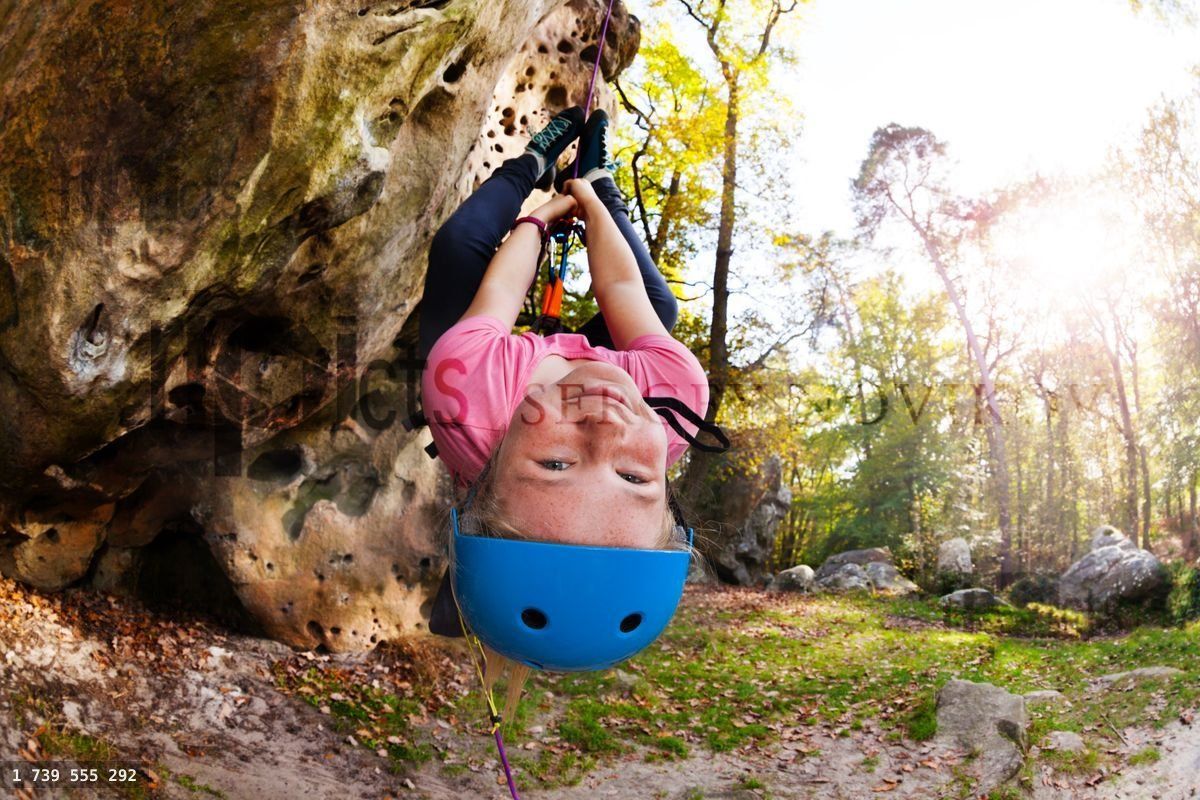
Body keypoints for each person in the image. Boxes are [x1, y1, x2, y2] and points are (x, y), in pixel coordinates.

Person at [417, 105, 719, 719]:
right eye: (634, 479)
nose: (608, 426)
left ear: (492, 479)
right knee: (658, 306)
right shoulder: (670, 403)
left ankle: (527, 161)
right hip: (574, 368)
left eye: (556, 464)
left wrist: (541, 216)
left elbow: (499, 294)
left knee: (458, 246)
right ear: (668, 493)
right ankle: (602, 177)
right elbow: (624, 292)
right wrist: (591, 203)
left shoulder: (465, 393)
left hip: (493, 370)